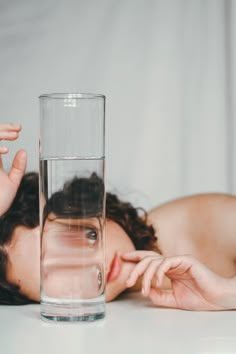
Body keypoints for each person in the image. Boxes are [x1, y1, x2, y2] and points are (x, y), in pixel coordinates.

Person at [1, 123, 236, 310]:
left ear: (81, 205)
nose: (92, 265)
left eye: (73, 240)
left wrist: (225, 293)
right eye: (57, 274)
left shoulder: (212, 223)